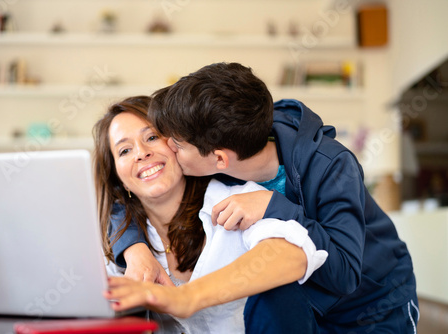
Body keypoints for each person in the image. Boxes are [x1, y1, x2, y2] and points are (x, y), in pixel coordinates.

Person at [110, 63, 419, 333]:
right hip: (311, 304)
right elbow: (121, 197)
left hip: (374, 305)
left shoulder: (331, 165)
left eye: (175, 143)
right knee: (272, 297)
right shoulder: (222, 149)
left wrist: (274, 207)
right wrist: (134, 249)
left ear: (219, 159)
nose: (163, 148)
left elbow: (345, 273)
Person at [92, 96, 327, 333]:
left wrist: (186, 297)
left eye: (152, 137)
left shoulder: (235, 198)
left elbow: (293, 252)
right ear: (117, 177)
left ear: (177, 144)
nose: (141, 153)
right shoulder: (117, 246)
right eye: (124, 150)